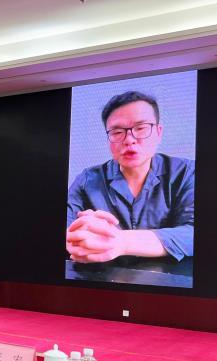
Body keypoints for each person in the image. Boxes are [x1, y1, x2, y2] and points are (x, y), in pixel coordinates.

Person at [66, 91, 194, 264]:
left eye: (140, 128)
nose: (129, 140)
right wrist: (80, 231)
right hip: (100, 277)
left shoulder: (186, 173)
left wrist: (122, 241)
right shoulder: (87, 180)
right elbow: (65, 229)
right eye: (117, 132)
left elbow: (194, 232)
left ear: (158, 132)